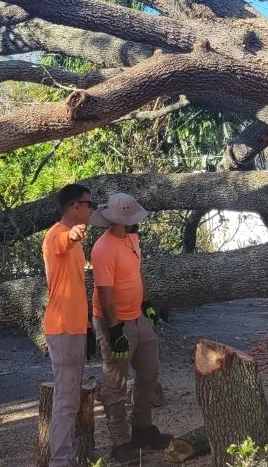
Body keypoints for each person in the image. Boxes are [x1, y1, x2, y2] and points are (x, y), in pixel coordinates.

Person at [91, 193, 171, 460]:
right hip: (115, 321)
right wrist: (114, 331)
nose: (136, 223)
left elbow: (137, 273)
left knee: (149, 374)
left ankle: (142, 428)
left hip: (137, 316)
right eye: (130, 220)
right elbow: (104, 293)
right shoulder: (103, 248)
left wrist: (146, 302)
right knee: (116, 383)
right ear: (114, 221)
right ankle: (120, 441)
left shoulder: (132, 238)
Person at [41, 184, 96, 467]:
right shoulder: (56, 236)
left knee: (71, 398)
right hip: (62, 328)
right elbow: (64, 240)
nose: (92, 209)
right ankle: (60, 461)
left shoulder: (75, 242)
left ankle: (68, 457)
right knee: (65, 401)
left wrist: (87, 327)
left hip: (75, 328)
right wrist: (73, 235)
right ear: (76, 206)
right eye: (90, 204)